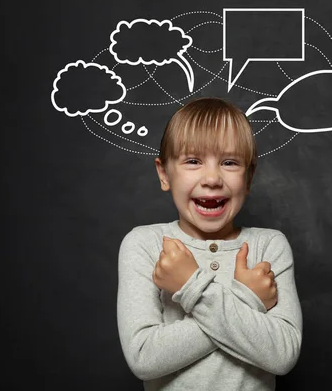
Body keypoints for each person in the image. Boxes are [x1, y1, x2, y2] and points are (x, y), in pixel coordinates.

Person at [117, 97, 303, 390]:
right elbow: (144, 357)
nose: (213, 178)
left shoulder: (269, 246)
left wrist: (191, 284)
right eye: (193, 161)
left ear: (249, 177)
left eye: (229, 162)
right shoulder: (145, 244)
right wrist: (246, 299)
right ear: (164, 173)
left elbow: (283, 354)